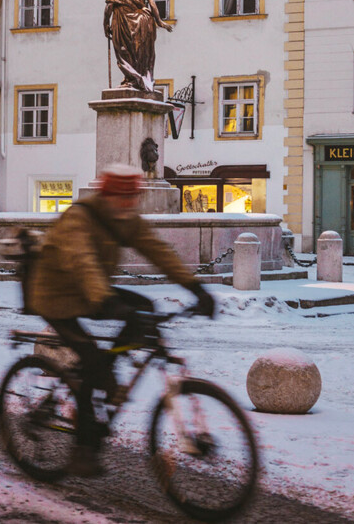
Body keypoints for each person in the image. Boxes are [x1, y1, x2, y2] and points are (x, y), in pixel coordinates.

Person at [25, 163, 216, 477]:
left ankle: (107, 370)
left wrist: (195, 287)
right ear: (107, 195)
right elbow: (83, 262)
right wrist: (106, 300)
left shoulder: (126, 219)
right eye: (122, 197)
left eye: (133, 198)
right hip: (55, 296)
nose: (129, 204)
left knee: (144, 307)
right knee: (91, 361)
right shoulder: (80, 218)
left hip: (90, 291)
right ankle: (83, 450)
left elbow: (158, 250)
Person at [104, 0, 173, 92]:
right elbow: (152, 3)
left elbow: (110, 3)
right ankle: (137, 80)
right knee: (142, 54)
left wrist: (105, 22)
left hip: (123, 18)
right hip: (144, 20)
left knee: (124, 51)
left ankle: (133, 80)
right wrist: (159, 21)